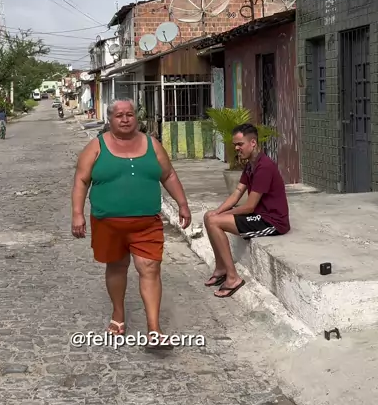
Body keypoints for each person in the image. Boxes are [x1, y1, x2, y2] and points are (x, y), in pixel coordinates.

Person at [71, 98, 191, 347]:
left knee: (150, 268)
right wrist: (77, 214)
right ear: (110, 119)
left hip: (147, 223)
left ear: (136, 117)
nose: (125, 119)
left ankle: (154, 329)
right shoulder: (96, 146)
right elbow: (81, 180)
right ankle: (118, 314)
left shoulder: (152, 144)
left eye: (130, 114)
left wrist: (182, 203)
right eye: (119, 115)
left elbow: (168, 174)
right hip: (108, 223)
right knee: (117, 267)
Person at [203, 123, 290, 298]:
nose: (236, 148)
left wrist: (221, 216)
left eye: (240, 144)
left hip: (271, 221)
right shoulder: (251, 164)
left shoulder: (264, 167)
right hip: (257, 215)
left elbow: (249, 206)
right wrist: (217, 211)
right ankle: (221, 268)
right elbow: (237, 193)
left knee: (214, 221)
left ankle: (233, 278)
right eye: (235, 145)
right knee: (209, 216)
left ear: (253, 143)